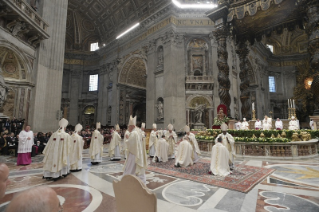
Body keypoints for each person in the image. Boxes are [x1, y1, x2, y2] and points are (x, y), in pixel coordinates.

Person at [123, 116, 146, 184]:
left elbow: (130, 143)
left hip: (134, 153)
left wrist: (127, 139)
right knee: (137, 167)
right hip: (137, 152)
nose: (128, 127)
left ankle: (128, 180)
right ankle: (140, 180)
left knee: (131, 167)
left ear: (132, 126)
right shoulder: (137, 131)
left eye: (129, 126)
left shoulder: (134, 133)